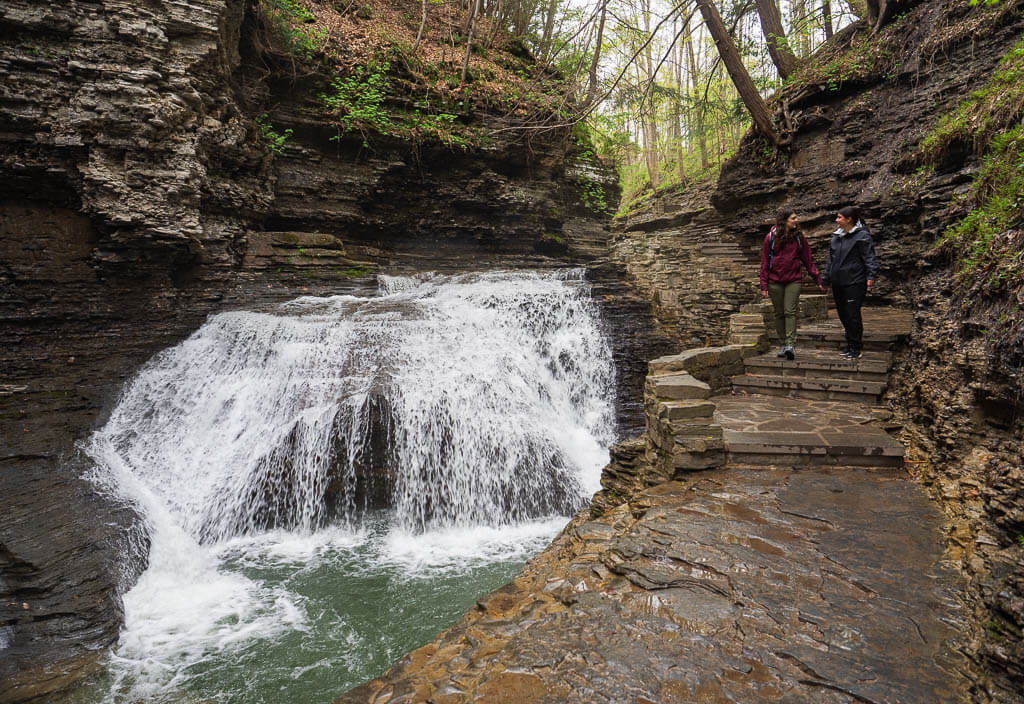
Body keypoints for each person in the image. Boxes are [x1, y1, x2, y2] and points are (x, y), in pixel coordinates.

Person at [759, 209, 823, 360]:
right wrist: (763, 284)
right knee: (779, 313)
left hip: (793, 279)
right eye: (793, 218)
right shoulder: (770, 238)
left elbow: (807, 259)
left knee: (790, 311)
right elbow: (765, 262)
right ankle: (782, 344)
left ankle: (790, 345)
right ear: (784, 220)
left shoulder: (799, 237)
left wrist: (818, 279)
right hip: (774, 281)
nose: (796, 220)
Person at [821, 206, 880, 359]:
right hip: (838, 282)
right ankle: (850, 344)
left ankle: (856, 347)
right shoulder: (836, 237)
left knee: (852, 314)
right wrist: (826, 279)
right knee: (843, 314)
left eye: (839, 217)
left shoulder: (862, 236)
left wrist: (871, 275)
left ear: (849, 220)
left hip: (855, 281)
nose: (836, 220)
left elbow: (869, 257)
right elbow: (831, 261)